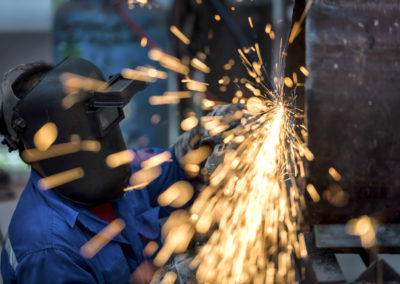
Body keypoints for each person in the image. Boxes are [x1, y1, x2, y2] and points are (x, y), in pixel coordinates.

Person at [0, 57, 241, 283]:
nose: (103, 130)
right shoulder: (48, 249)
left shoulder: (112, 169)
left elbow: (175, 171)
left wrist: (204, 143)